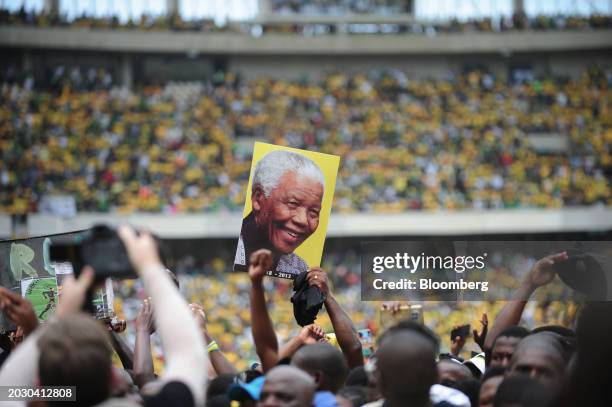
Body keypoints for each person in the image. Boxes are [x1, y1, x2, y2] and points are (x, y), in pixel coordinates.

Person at [0, 225, 208, 407]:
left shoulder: (36, 397)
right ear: (114, 379)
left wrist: (51, 319)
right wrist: (151, 268)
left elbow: (8, 390)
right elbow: (188, 359)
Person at [234, 150, 325, 278]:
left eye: (314, 212)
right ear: (258, 198)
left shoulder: (299, 269)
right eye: (293, 203)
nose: (303, 220)